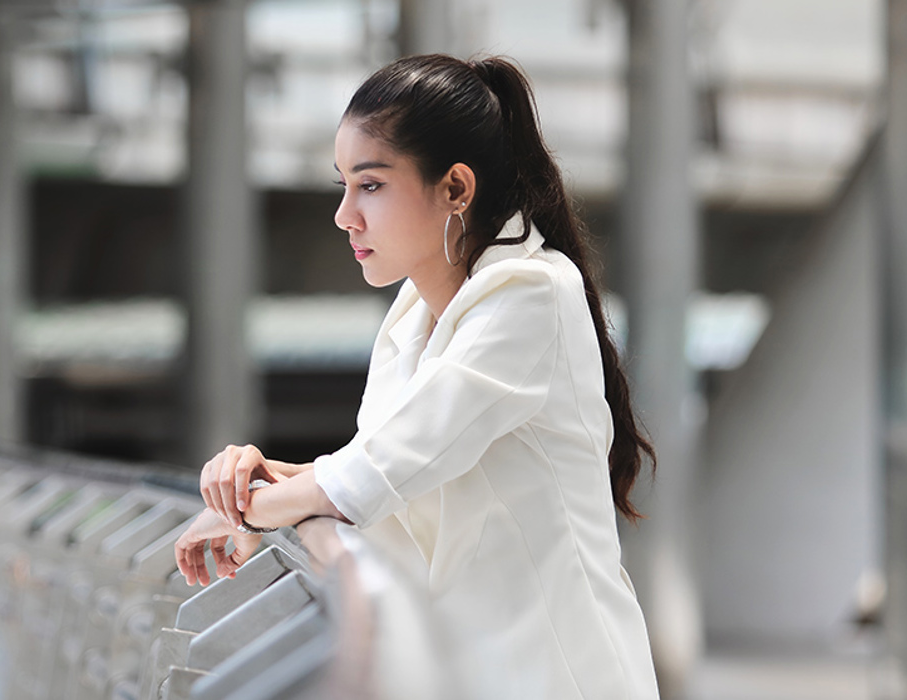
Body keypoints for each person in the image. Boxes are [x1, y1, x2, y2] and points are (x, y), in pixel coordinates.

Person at [174, 54, 659, 699]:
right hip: (471, 671)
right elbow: (378, 471)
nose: (346, 214)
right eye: (344, 184)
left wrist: (243, 510)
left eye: (370, 185)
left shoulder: (533, 294)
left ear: (456, 188)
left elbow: (378, 474)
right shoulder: (414, 312)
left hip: (557, 671)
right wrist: (256, 475)